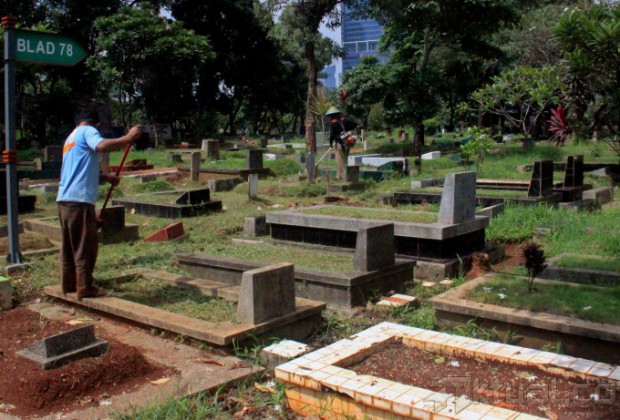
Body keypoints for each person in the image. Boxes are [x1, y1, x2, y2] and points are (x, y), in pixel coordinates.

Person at [56, 110, 142, 300]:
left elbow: (78, 171)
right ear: (96, 125)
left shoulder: (71, 138)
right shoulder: (88, 131)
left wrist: (105, 177)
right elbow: (101, 146)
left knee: (70, 246)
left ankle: (69, 284)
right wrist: (128, 138)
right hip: (79, 200)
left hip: (64, 200)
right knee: (86, 245)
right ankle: (84, 287)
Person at [326, 106, 358, 181]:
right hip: (347, 143)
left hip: (340, 144)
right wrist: (347, 131)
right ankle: (340, 176)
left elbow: (332, 135)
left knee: (340, 160)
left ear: (332, 116)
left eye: (330, 116)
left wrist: (330, 143)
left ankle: (342, 177)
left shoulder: (333, 123)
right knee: (344, 160)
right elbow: (355, 124)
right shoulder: (344, 121)